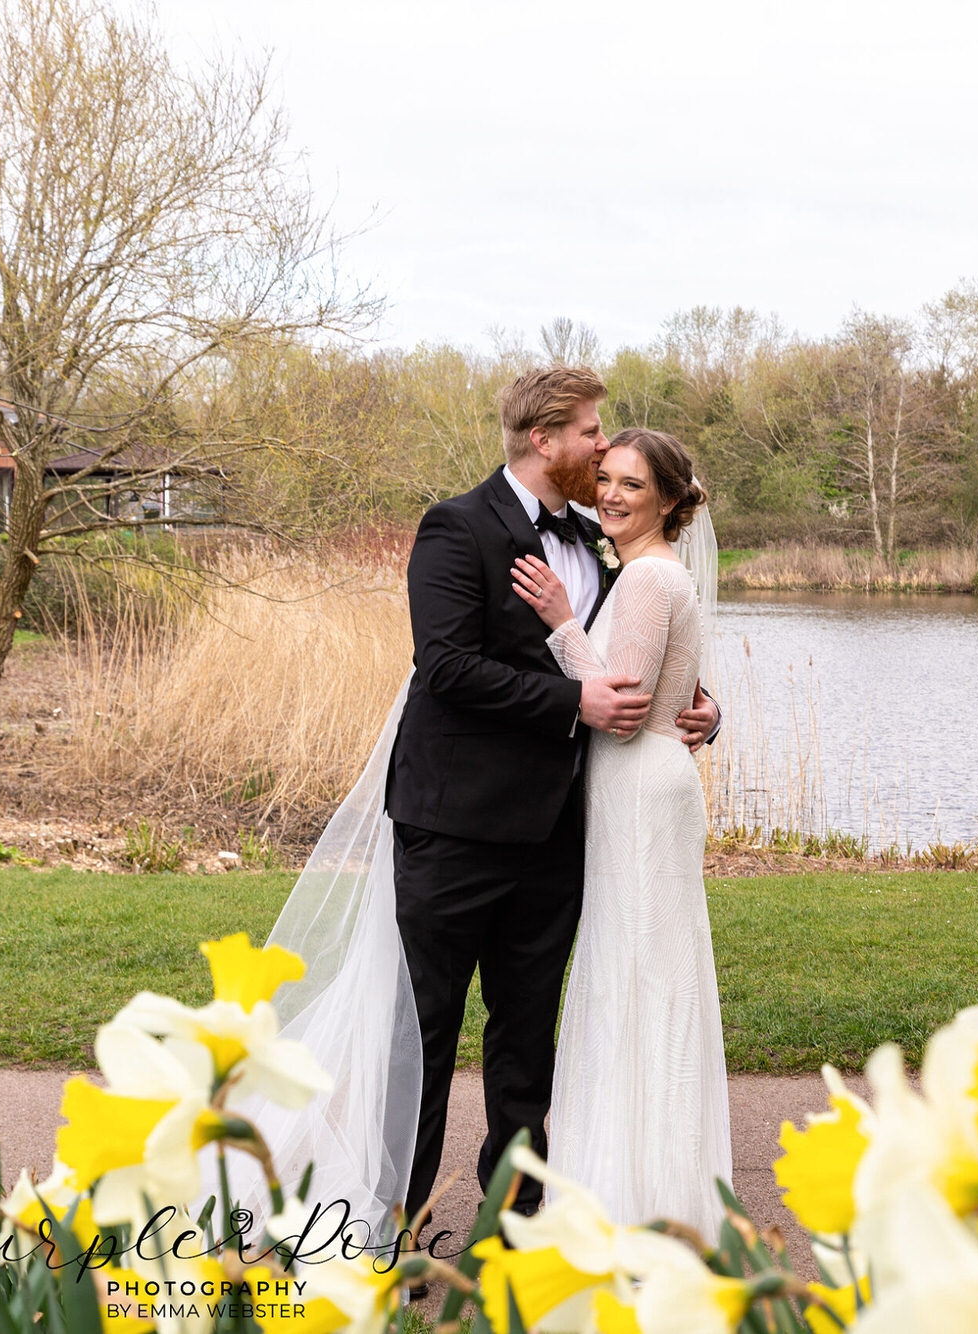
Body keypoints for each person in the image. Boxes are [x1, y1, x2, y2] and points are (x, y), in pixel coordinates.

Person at [245, 368, 722, 1253]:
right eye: (590, 433)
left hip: (559, 834)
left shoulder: (601, 540)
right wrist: (572, 707)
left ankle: (512, 1228)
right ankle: (389, 1228)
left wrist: (699, 712)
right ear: (544, 441)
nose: (601, 448)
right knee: (419, 1037)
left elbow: (644, 661)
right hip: (455, 827)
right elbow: (447, 666)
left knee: (526, 1039)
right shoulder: (456, 528)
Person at [508, 426, 732, 1235]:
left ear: (669, 501)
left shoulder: (642, 581)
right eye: (605, 478)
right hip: (655, 785)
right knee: (652, 971)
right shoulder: (661, 574)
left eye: (631, 485)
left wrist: (563, 622)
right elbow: (680, 691)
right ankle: (661, 1181)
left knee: (637, 973)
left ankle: (638, 1191)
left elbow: (624, 709)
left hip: (639, 788)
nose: (608, 493)